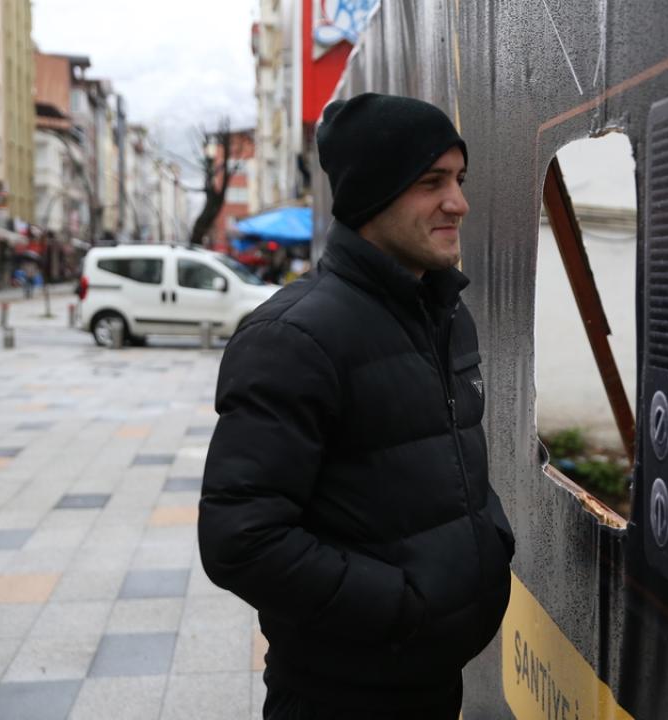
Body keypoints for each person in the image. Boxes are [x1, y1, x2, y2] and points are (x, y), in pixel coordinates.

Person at [200, 93, 515, 720]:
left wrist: (491, 545)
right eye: (432, 182)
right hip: (338, 697)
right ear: (373, 196)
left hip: (431, 680)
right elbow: (241, 540)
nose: (459, 201)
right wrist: (403, 606)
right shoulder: (293, 338)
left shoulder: (444, 314)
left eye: (459, 179)